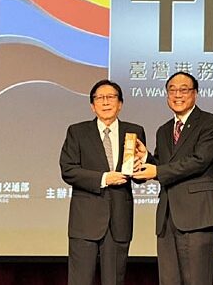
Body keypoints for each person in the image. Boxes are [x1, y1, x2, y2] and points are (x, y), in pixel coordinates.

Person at [134, 72, 213, 285]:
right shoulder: (164, 130)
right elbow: (164, 165)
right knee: (168, 281)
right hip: (167, 218)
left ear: (195, 94)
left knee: (196, 280)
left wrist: (157, 171)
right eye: (172, 90)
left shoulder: (210, 123)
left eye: (183, 90)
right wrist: (146, 158)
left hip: (197, 216)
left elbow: (199, 161)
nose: (177, 95)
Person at [60, 79, 146, 285]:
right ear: (92, 105)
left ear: (120, 104)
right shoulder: (77, 132)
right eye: (99, 98)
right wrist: (104, 178)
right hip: (85, 221)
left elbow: (142, 175)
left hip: (119, 220)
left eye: (111, 97)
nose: (105, 102)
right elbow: (68, 170)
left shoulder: (134, 132)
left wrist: (144, 158)